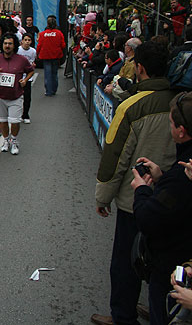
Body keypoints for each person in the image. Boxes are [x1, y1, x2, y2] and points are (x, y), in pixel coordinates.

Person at [92, 41, 177, 325]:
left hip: (136, 201)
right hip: (177, 197)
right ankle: (158, 311)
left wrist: (103, 197)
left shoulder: (131, 106)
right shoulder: (181, 100)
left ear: (139, 68)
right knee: (167, 261)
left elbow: (115, 155)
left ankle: (123, 316)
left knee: (127, 263)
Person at [129, 92, 192, 325]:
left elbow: (148, 219)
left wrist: (141, 190)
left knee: (163, 311)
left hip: (172, 263)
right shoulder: (181, 172)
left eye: (171, 123)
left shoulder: (181, 176)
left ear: (181, 131)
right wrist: (161, 176)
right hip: (179, 257)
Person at [0, 33, 34, 155]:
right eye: (5, 43)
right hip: (0, 96)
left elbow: (31, 71)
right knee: (3, 121)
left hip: (16, 96)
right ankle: (6, 140)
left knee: (15, 121)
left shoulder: (22, 60)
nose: (7, 46)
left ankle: (14, 140)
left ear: (14, 45)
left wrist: (25, 80)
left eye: (10, 44)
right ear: (2, 45)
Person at [36, 15, 65, 97]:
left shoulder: (42, 34)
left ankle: (48, 90)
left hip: (45, 56)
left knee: (47, 73)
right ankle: (54, 89)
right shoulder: (59, 33)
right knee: (54, 73)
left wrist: (37, 53)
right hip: (56, 56)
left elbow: (39, 45)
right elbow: (63, 45)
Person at [17, 33, 36, 124]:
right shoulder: (18, 50)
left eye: (29, 40)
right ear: (22, 41)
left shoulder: (33, 51)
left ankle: (25, 114)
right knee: (17, 97)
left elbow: (32, 62)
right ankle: (17, 114)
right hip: (18, 76)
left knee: (27, 97)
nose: (27, 42)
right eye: (25, 40)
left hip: (27, 77)